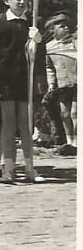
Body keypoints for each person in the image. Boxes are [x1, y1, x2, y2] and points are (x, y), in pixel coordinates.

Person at [0, 0, 46, 183]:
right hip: (6, 81)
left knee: (26, 125)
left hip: (25, 79)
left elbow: (40, 56)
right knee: (9, 125)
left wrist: (39, 40)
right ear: (6, 1)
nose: (22, 2)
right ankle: (8, 168)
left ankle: (30, 168)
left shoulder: (33, 21)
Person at [45, 13, 76, 156]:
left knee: (75, 113)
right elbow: (49, 67)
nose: (66, 28)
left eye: (68, 26)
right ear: (53, 30)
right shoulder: (50, 47)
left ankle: (76, 141)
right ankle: (69, 141)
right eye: (62, 26)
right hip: (62, 84)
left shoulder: (76, 44)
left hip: (76, 83)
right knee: (65, 113)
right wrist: (51, 84)